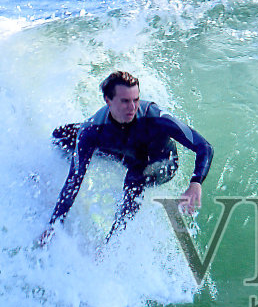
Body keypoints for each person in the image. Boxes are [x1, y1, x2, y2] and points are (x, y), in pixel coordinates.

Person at [39, 70, 213, 244]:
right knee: (62, 135)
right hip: (123, 152)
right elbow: (74, 180)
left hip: (161, 162)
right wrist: (54, 224)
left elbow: (204, 146)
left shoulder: (155, 116)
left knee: (135, 176)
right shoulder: (92, 129)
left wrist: (196, 182)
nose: (132, 107)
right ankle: (44, 181)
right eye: (125, 101)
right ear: (108, 100)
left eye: (136, 100)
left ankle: (111, 245)